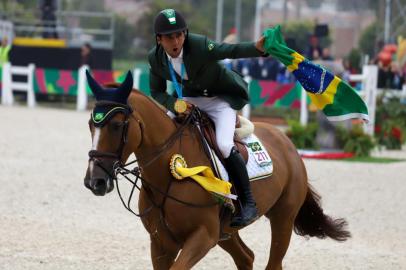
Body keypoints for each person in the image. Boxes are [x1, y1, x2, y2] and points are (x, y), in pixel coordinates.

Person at [148, 9, 266, 227]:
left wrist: (257, 49)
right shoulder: (155, 58)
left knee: (223, 144)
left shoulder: (199, 45)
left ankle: (249, 203)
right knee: (163, 134)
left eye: (179, 35)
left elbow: (229, 49)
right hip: (187, 99)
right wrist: (175, 105)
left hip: (219, 100)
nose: (176, 42)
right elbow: (156, 92)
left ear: (185, 34)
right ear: (159, 39)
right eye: (169, 37)